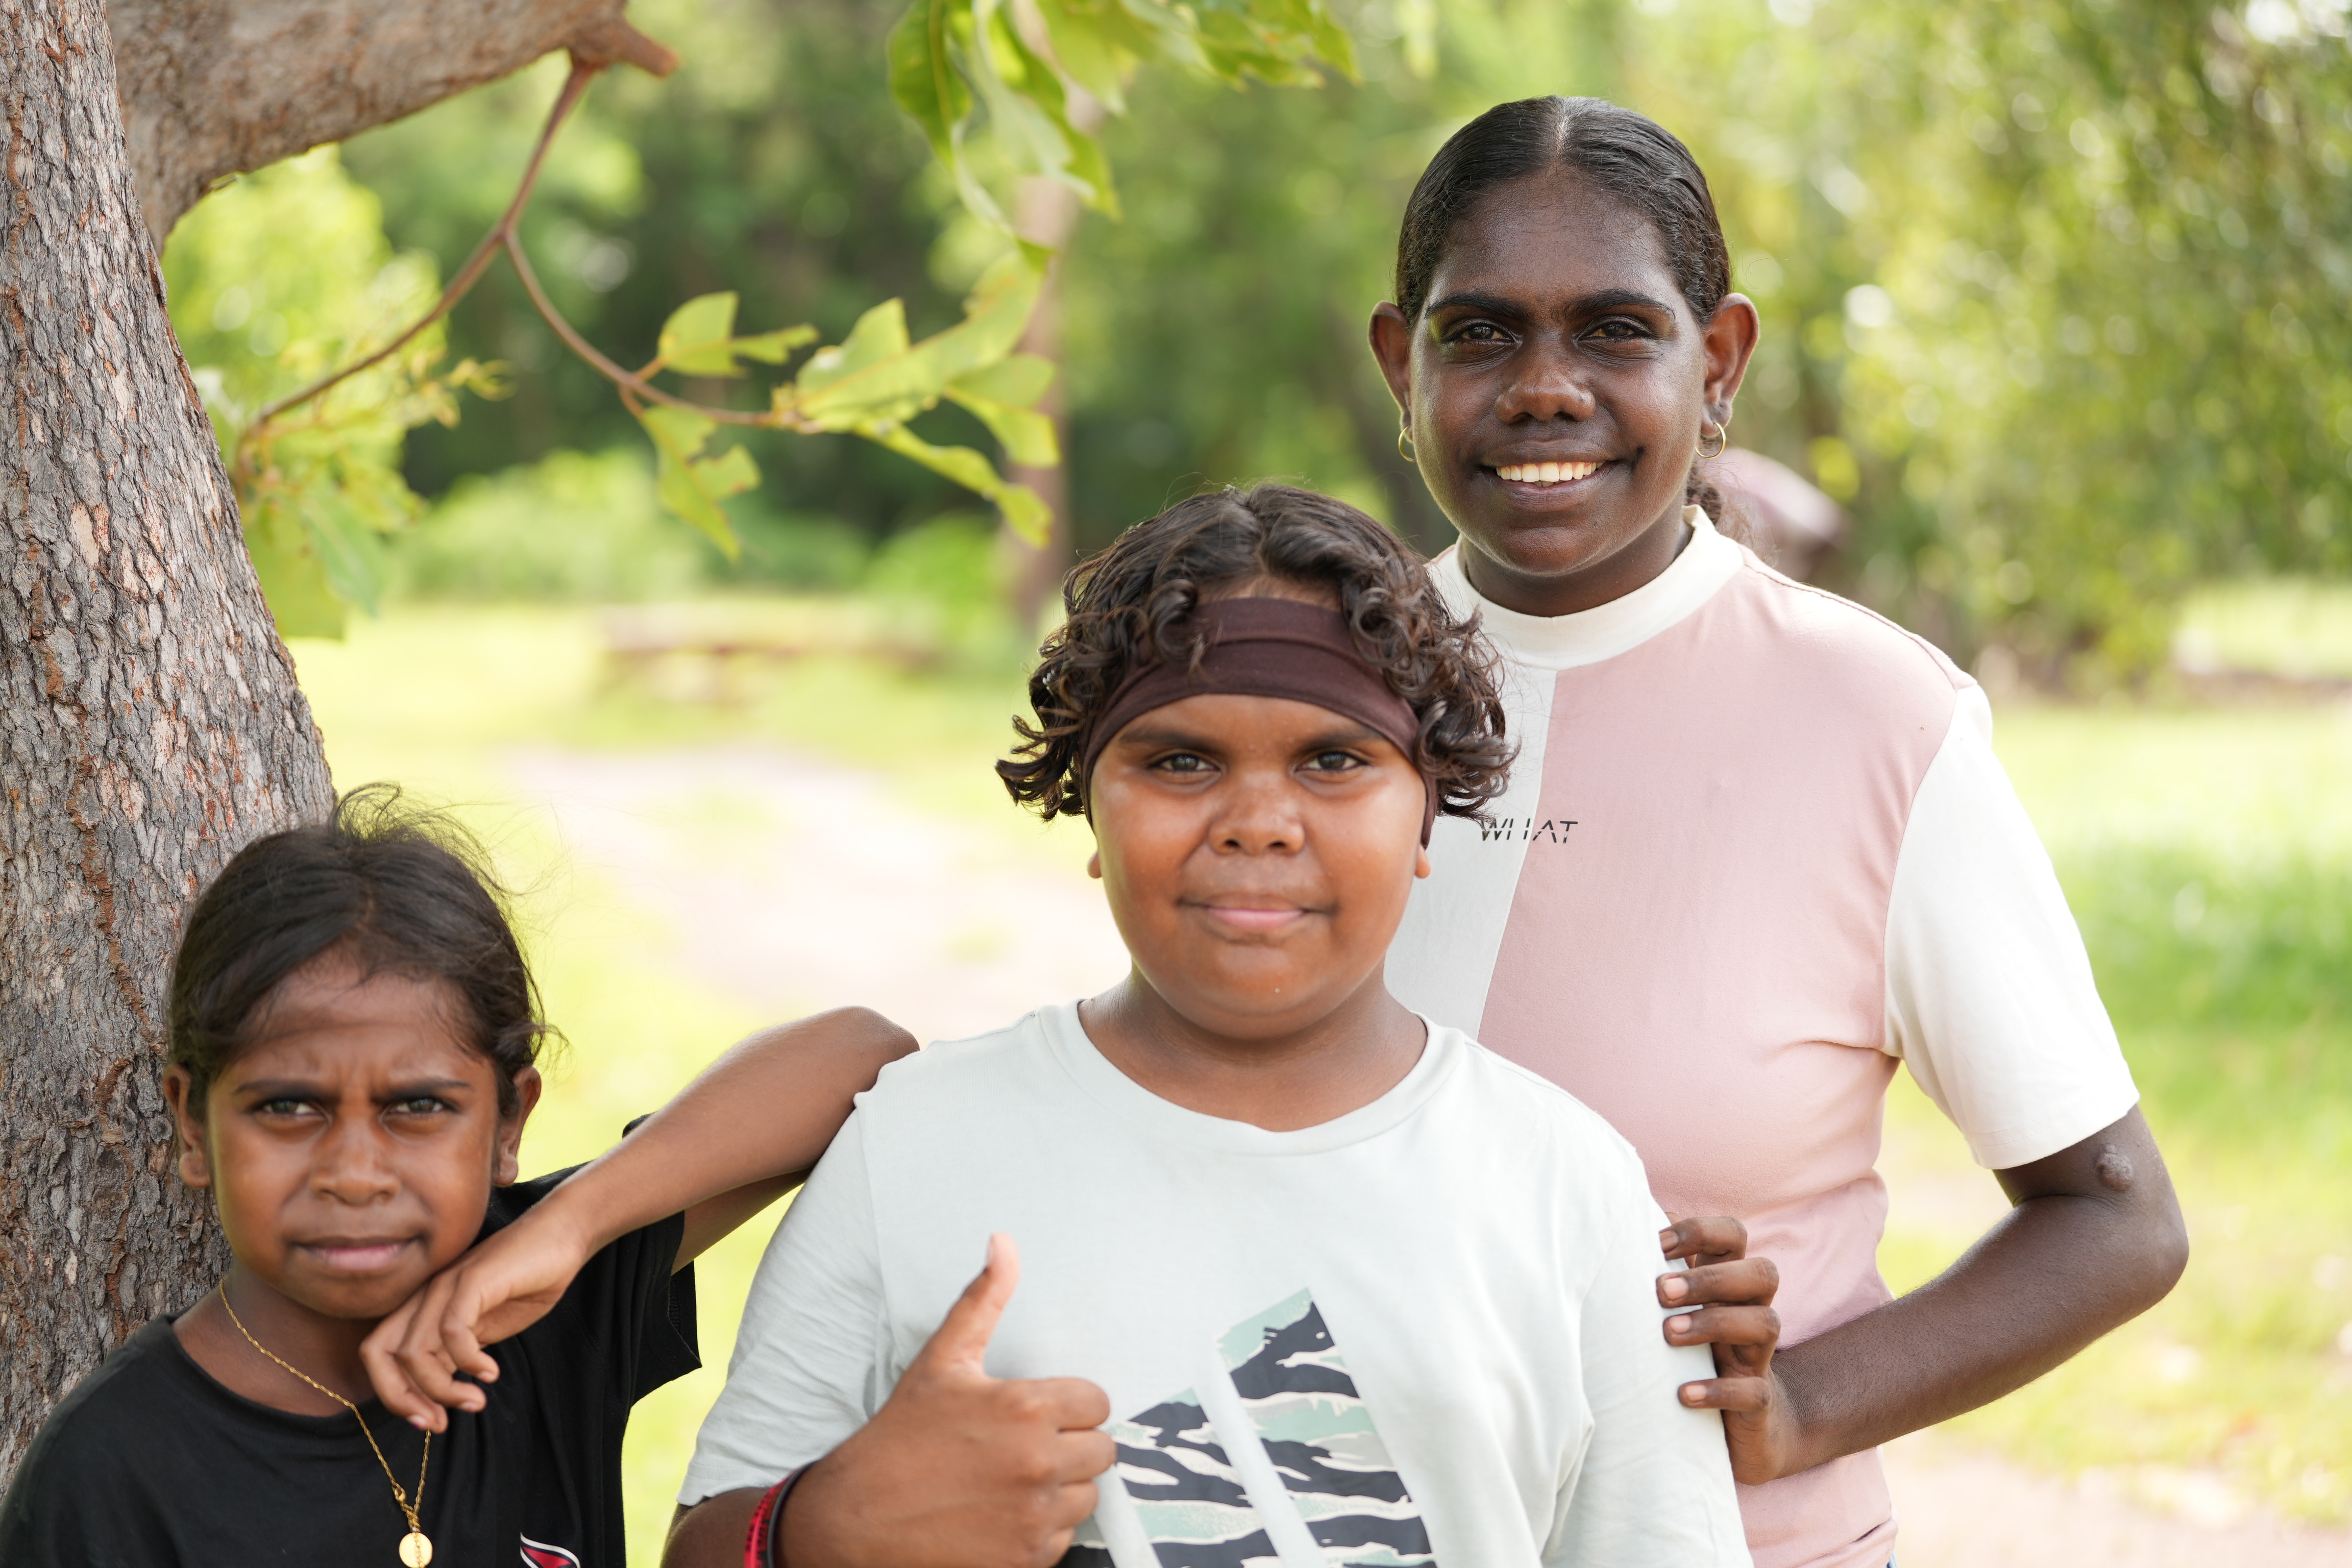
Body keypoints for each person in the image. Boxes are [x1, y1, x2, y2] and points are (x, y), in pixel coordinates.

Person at [1366, 96, 2189, 1568]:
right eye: (1478, 333)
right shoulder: (1316, 687)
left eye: (1617, 331)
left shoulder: (1874, 716)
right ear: (1398, 363)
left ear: (1720, 359)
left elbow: (2114, 1218)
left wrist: (1801, 1405)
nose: (1545, 388)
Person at [663, 485, 1753, 1568]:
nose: (1259, 824)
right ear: (1090, 803)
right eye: (1181, 761)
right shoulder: (915, 1148)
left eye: (1334, 761)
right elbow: (703, 1542)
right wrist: (823, 1531)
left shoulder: (1565, 1185)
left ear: (1427, 811)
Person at [0, 787, 916, 1567]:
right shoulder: (108, 1474)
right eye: (287, 1108)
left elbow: (865, 1055)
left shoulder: (545, 1306)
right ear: (193, 1128)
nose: (355, 1175)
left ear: (509, 1121)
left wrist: (569, 1225)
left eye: (419, 1108)